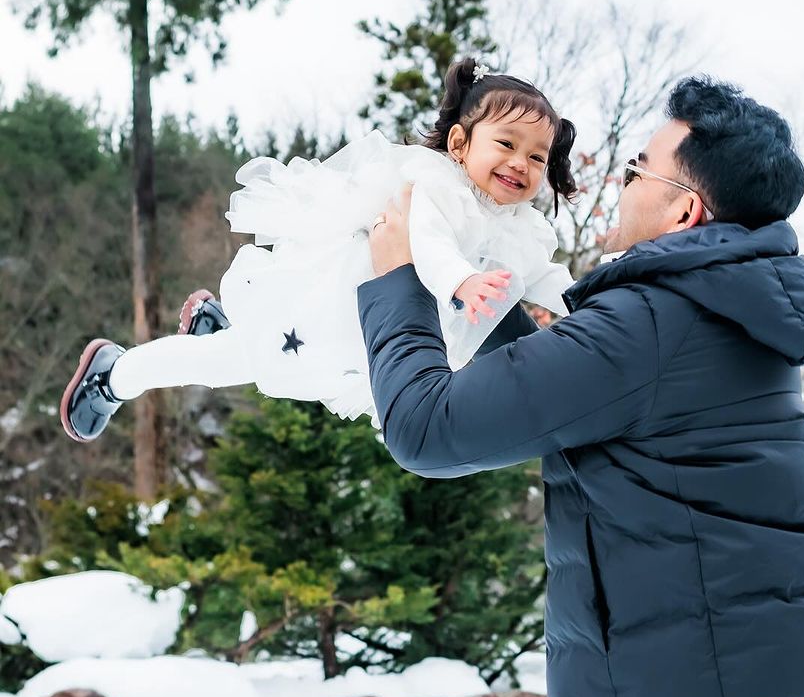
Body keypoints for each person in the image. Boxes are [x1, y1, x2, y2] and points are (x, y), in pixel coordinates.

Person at [359, 76, 804, 697]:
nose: (615, 180)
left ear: (684, 212)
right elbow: (572, 383)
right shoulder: (714, 312)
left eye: (637, 168)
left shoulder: (654, 322)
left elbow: (427, 427)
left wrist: (399, 282)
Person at [59, 58, 577, 440]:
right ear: (461, 144)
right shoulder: (434, 186)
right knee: (226, 363)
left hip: (360, 347)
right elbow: (431, 240)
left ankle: (219, 327)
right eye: (506, 144)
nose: (521, 164)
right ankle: (114, 374)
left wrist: (589, 301)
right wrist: (461, 281)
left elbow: (542, 277)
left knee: (265, 369)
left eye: (537, 156)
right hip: (323, 318)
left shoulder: (521, 229)